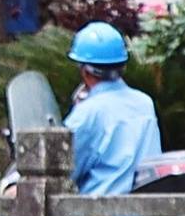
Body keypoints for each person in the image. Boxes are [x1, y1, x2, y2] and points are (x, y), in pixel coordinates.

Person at [63, 20, 162, 198]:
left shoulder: (86, 113)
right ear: (122, 66)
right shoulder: (144, 103)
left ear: (85, 71)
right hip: (145, 213)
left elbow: (64, 169)